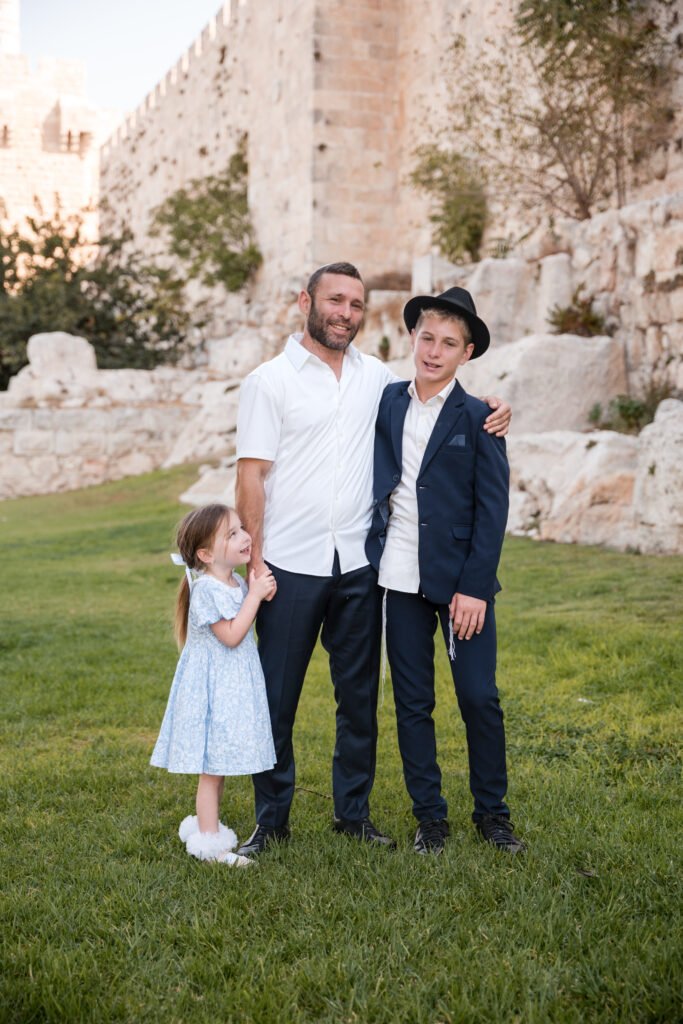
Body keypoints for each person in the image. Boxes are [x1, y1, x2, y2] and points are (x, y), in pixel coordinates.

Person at [234, 263, 512, 857]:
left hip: (361, 566)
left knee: (358, 700)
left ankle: (352, 814)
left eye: (356, 304)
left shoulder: (376, 381)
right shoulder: (269, 381)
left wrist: (494, 406)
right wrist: (256, 565)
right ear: (306, 301)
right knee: (276, 699)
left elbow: (444, 406)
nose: (345, 313)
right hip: (289, 565)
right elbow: (251, 477)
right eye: (335, 300)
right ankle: (272, 818)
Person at [366, 287, 525, 855]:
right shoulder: (385, 401)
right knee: (413, 703)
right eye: (427, 337)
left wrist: (475, 588)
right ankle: (430, 817)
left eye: (448, 343)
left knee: (478, 697)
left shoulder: (482, 416)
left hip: (461, 585)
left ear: (467, 352)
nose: (434, 351)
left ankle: (493, 814)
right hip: (398, 580)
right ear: (413, 338)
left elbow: (493, 509)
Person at [150, 503, 277, 866]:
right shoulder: (206, 589)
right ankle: (210, 844)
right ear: (206, 554)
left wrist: (254, 591)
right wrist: (255, 596)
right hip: (212, 690)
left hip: (229, 687)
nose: (244, 537)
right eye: (232, 534)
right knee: (210, 767)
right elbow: (233, 635)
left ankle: (206, 828)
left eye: (241, 528)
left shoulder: (233, 580)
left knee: (217, 763)